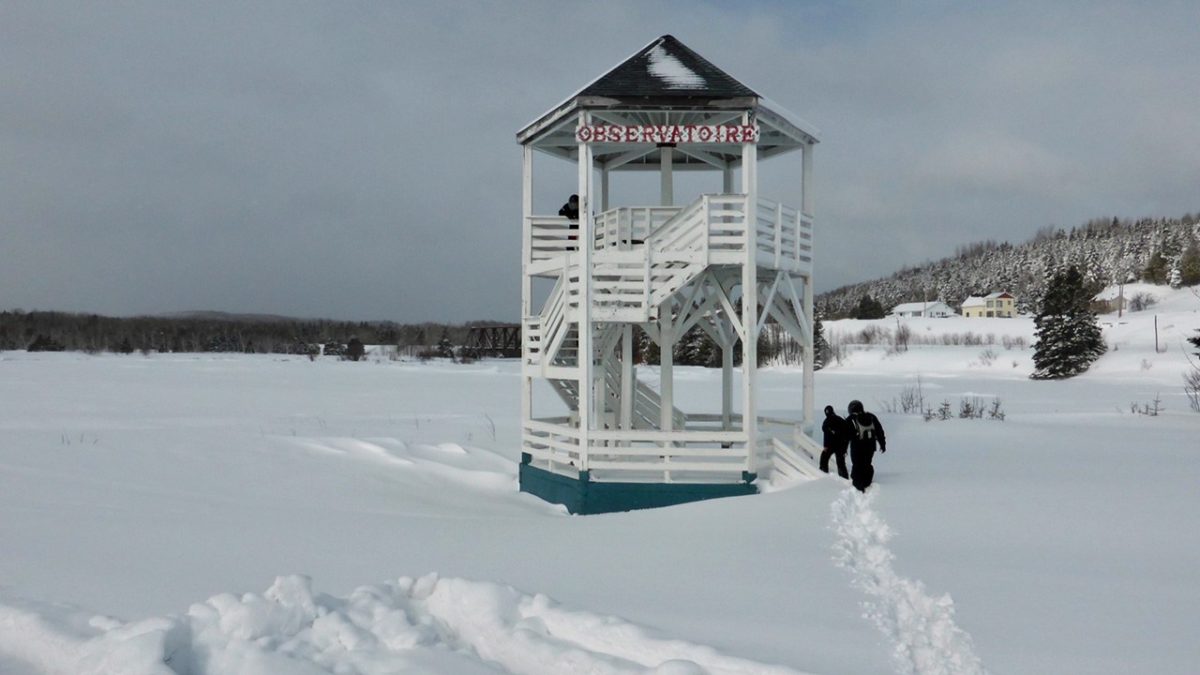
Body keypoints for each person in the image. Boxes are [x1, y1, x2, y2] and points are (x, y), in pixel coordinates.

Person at [846, 399, 886, 492]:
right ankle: (866, 481)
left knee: (857, 465)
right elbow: (879, 431)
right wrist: (882, 444)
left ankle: (858, 485)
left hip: (857, 446)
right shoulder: (871, 417)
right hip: (871, 446)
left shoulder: (851, 419)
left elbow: (845, 435)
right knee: (867, 464)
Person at [819, 405, 849, 479]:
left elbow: (826, 434)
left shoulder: (826, 422)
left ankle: (823, 474)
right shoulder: (840, 420)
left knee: (824, 458)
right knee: (841, 462)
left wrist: (825, 446)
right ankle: (844, 478)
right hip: (841, 444)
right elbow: (847, 432)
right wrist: (845, 447)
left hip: (831, 445)